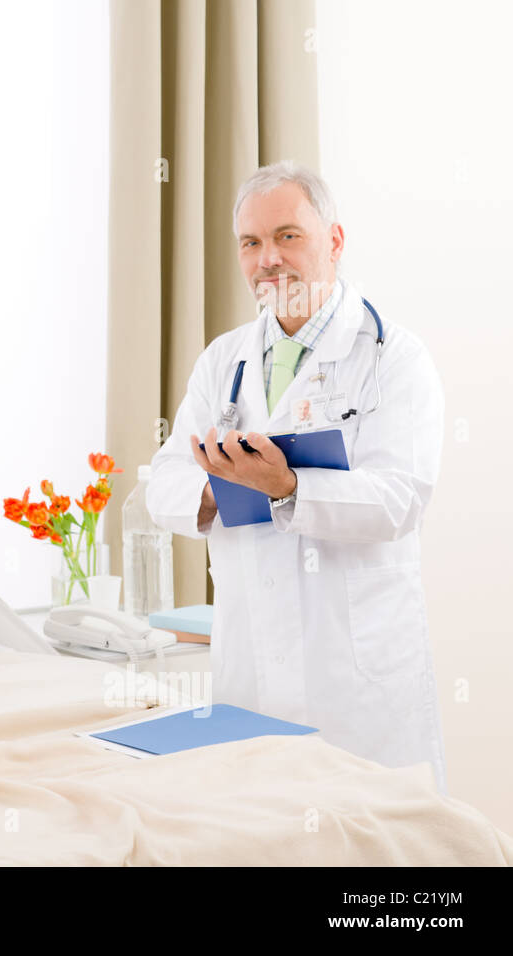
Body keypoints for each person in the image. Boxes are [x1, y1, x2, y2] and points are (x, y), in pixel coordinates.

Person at [145, 160, 447, 792]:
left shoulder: (393, 357)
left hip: (357, 681)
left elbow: (400, 500)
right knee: (256, 837)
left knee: (373, 851)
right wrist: (218, 484)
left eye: (288, 236)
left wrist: (289, 488)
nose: (268, 260)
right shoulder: (222, 360)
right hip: (250, 664)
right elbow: (166, 478)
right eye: (251, 243)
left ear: (333, 241)